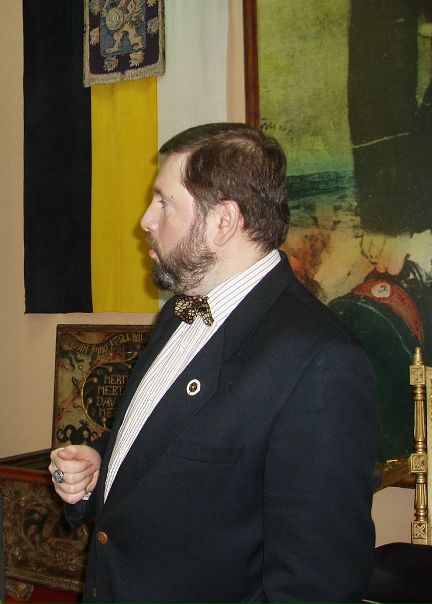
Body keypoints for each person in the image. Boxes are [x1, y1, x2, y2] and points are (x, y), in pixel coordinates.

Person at [49, 123, 377, 604]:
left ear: (223, 221)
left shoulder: (321, 361)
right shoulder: (177, 312)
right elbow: (169, 448)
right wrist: (101, 464)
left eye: (164, 202)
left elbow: (317, 584)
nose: (145, 220)